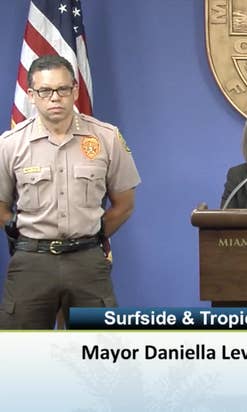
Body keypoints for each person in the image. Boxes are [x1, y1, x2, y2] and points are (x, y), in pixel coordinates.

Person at [0, 54, 141, 329]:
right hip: (32, 263)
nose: (55, 97)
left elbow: (124, 204)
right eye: (45, 90)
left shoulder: (105, 138)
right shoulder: (10, 145)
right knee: (19, 356)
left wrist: (94, 235)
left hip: (86, 261)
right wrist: (16, 229)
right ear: (31, 94)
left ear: (75, 90)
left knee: (98, 356)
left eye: (63, 89)